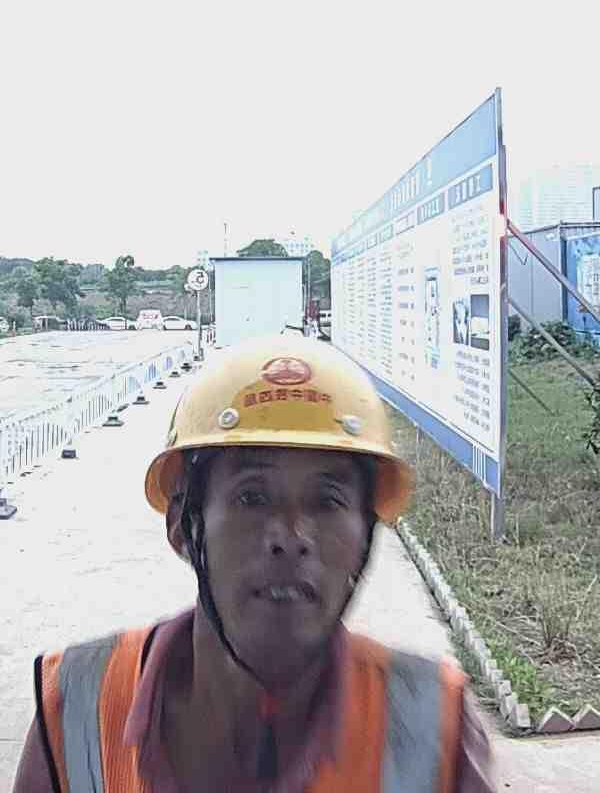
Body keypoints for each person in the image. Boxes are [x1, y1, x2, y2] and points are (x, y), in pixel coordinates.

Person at [13, 337, 495, 792]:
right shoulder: (75, 706)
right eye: (252, 497)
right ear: (183, 524)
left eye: (328, 501)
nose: (290, 537)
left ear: (367, 533)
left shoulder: (433, 722)